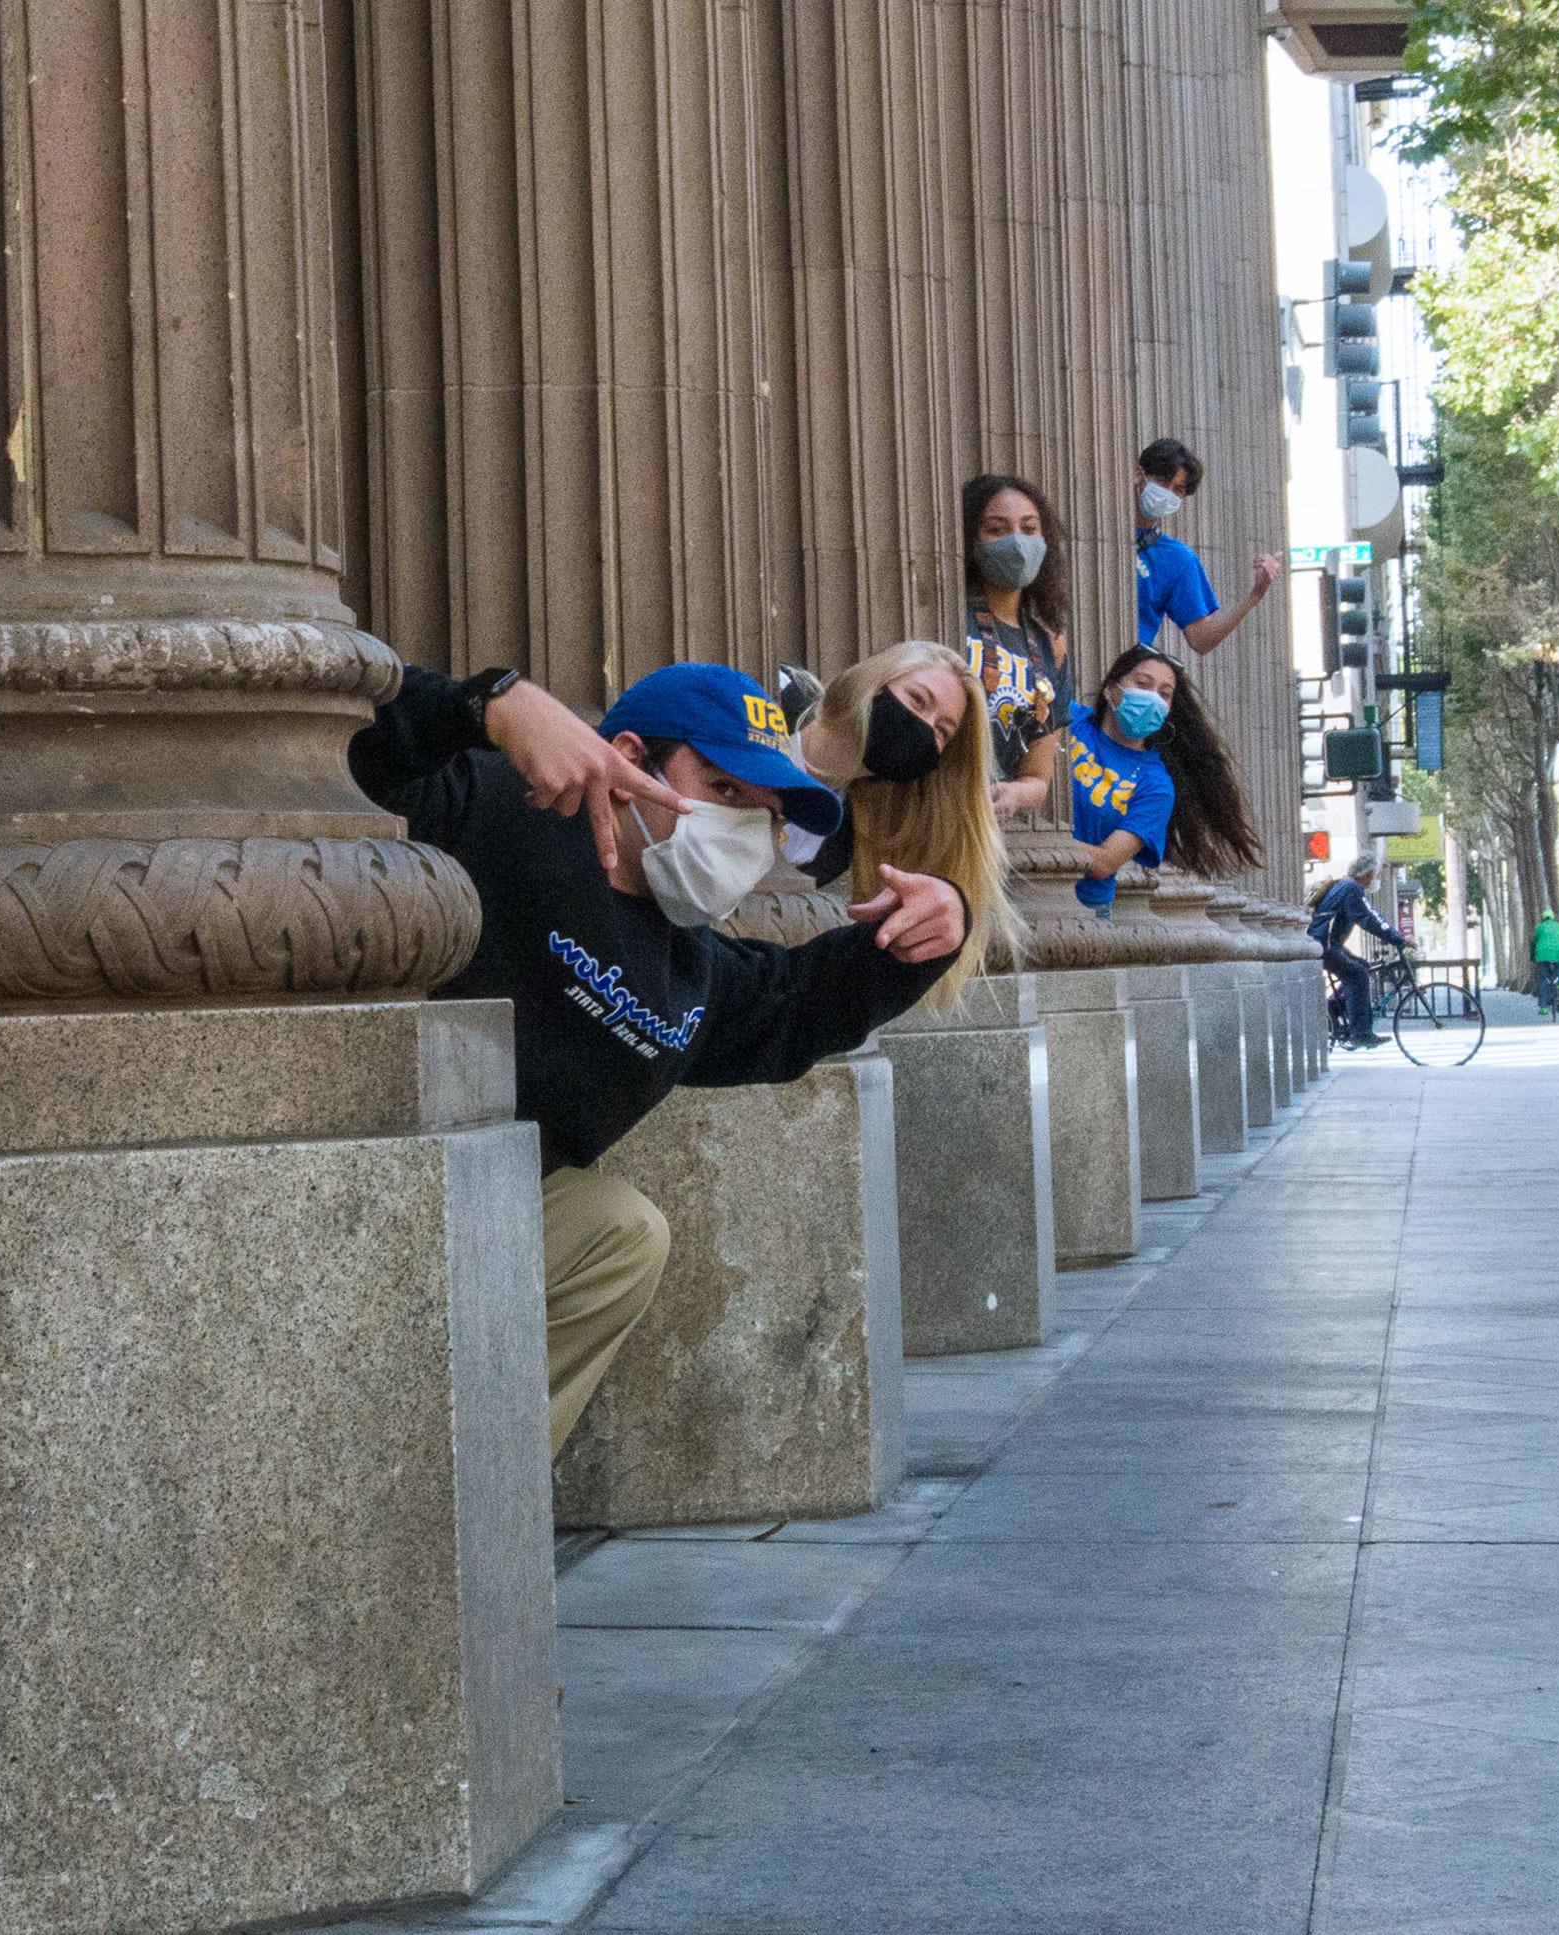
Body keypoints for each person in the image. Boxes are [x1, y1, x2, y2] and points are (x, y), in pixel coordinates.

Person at [350, 658, 970, 1452]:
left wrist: (926, 934)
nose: (748, 830)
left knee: (624, 1231)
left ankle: (471, 1493)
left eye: (768, 813)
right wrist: (491, 705)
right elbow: (362, 751)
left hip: (488, 1228)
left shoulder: (688, 968)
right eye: (725, 791)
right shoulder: (499, 804)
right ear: (634, 760)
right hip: (372, 1178)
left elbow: (792, 1005)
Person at [789, 640, 1020, 973]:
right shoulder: (768, 719)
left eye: (942, 731)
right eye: (917, 700)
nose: (923, 726)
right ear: (874, 683)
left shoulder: (847, 843)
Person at [1063, 646, 1261, 915]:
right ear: (1111, 690)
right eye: (1143, 684)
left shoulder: (1156, 786)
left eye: (1164, 694)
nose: (1152, 698)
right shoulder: (1072, 720)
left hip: (1083, 907)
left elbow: (1106, 862)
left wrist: (1048, 845)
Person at [962, 475, 1071, 818]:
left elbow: (1038, 776)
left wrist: (1015, 793)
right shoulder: (949, 618)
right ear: (971, 540)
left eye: (1029, 528)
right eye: (997, 529)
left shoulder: (1050, 644)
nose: (1017, 543)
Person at [1130, 438, 1281, 658]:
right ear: (1139, 474)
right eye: (1163, 482)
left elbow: (1202, 639)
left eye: (1178, 489)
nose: (1168, 493)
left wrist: (1255, 595)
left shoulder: (1178, 560)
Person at [1312, 854, 1405, 1047]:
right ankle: (1361, 1034)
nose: (1375, 879)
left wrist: (1394, 937)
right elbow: (1370, 919)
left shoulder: (1346, 885)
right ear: (1365, 874)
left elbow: (1370, 917)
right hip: (1324, 943)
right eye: (1374, 874)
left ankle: (1334, 1007)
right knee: (1357, 975)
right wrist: (1398, 939)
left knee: (1361, 966)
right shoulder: (1352, 889)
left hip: (1327, 942)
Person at [1531, 907, 1559, 1014]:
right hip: (1558, 952)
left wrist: (1532, 957)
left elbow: (1533, 942)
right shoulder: (1558, 926)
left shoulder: (1539, 927)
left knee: (1543, 980)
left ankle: (1543, 1007)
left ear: (1543, 918)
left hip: (1542, 955)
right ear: (1553, 917)